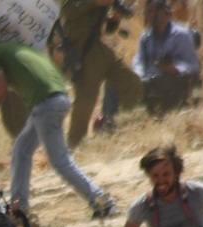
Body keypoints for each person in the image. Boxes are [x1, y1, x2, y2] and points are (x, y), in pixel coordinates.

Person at [0, 42, 118, 221]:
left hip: (45, 105)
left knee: (60, 160)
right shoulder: (15, 47)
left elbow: (0, 81)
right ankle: (18, 208)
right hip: (57, 98)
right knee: (21, 150)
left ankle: (102, 202)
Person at [58, 0, 142, 145]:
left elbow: (107, 30)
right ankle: (75, 145)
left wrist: (114, 19)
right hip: (82, 52)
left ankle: (122, 127)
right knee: (86, 100)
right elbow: (68, 12)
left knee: (132, 84)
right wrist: (96, 3)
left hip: (100, 49)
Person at [133, 0, 202, 114]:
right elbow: (138, 62)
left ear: (163, 12)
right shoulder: (146, 37)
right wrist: (139, 76)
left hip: (175, 83)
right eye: (147, 12)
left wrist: (173, 68)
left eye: (151, 11)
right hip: (149, 82)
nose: (148, 16)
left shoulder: (181, 35)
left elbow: (194, 65)